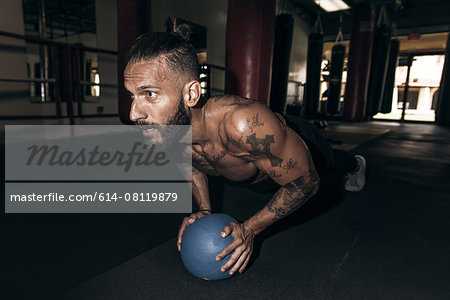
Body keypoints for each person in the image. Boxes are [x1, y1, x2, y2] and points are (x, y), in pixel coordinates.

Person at [123, 24, 366, 277]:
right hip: (257, 174)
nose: (133, 114)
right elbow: (193, 168)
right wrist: (205, 210)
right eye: (132, 96)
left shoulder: (244, 126)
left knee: (332, 164)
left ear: (192, 93)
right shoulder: (168, 130)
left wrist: (250, 228)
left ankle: (355, 163)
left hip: (298, 142)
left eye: (149, 94)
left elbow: (305, 184)